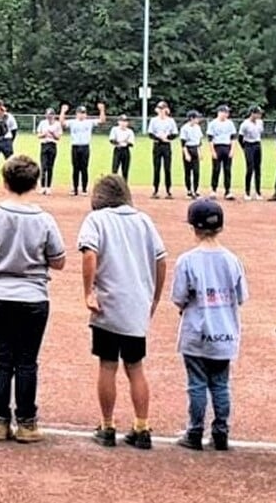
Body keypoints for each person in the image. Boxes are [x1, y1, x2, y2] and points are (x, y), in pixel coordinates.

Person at [0, 154, 67, 443]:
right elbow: (58, 261)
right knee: (26, 361)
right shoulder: (44, 219)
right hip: (34, 296)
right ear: (35, 183)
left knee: (1, 359)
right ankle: (26, 422)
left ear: (4, 180)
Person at [78, 175, 166, 449]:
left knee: (107, 364)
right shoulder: (144, 220)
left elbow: (89, 254)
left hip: (109, 304)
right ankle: (141, 426)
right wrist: (154, 298)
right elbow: (161, 259)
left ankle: (107, 426)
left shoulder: (97, 220)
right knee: (135, 366)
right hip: (137, 305)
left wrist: (88, 291)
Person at [171, 199, 246, 452]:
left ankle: (194, 432)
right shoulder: (232, 260)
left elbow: (178, 297)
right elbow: (241, 296)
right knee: (221, 384)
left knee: (197, 383)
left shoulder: (187, 260)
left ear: (194, 227)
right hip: (224, 333)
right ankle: (221, 432)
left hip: (196, 332)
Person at [66, 103, 103, 197]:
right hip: (75, 146)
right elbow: (62, 123)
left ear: (86, 114)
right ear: (76, 114)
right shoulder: (72, 122)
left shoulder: (89, 122)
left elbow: (102, 120)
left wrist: (102, 110)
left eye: (83, 113)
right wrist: (63, 112)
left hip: (85, 146)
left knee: (84, 168)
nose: (82, 115)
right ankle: (75, 188)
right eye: (80, 113)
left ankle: (84, 189)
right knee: (75, 168)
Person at [148, 102, 178, 199]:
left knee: (167, 168)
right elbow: (150, 134)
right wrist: (160, 138)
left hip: (166, 145)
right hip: (157, 144)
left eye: (163, 108)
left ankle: (168, 190)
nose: (161, 111)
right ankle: (155, 190)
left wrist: (167, 137)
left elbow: (174, 133)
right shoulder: (154, 120)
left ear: (166, 109)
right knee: (156, 168)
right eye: (160, 108)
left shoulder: (170, 121)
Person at [206, 105, 236, 201]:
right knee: (216, 169)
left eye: (227, 112)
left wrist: (232, 150)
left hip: (227, 146)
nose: (227, 114)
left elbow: (233, 137)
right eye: (225, 112)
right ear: (220, 112)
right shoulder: (213, 123)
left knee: (227, 170)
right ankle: (213, 189)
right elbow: (210, 138)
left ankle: (227, 191)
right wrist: (212, 151)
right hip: (217, 146)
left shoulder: (230, 123)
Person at [238, 107, 265, 200]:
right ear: (252, 113)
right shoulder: (245, 124)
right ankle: (247, 192)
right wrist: (244, 148)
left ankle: (258, 191)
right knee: (250, 168)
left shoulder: (260, 122)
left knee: (258, 169)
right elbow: (240, 138)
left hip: (257, 144)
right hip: (249, 145)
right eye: (257, 113)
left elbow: (260, 133)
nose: (259, 115)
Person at [35, 109, 63, 196]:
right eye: (47, 115)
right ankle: (43, 186)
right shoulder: (43, 123)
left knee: (50, 167)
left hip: (52, 145)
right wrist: (44, 134)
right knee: (43, 166)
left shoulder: (57, 124)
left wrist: (53, 134)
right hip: (44, 144)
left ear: (54, 115)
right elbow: (38, 135)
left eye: (51, 115)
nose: (49, 116)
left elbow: (58, 137)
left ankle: (48, 187)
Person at [179, 111, 205, 199]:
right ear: (191, 118)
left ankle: (196, 190)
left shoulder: (198, 128)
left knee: (196, 171)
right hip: (188, 148)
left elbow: (199, 142)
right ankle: (189, 190)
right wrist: (186, 154)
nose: (198, 119)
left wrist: (200, 152)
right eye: (196, 118)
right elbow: (183, 143)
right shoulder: (185, 128)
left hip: (195, 148)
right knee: (188, 171)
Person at [109, 116, 135, 181]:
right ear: (118, 122)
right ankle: (114, 186)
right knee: (115, 169)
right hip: (117, 150)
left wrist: (122, 142)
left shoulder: (130, 131)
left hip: (125, 150)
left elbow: (131, 143)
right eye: (122, 121)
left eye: (125, 121)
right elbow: (112, 140)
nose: (123, 123)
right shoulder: (115, 129)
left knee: (125, 170)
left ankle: (124, 186)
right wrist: (121, 142)